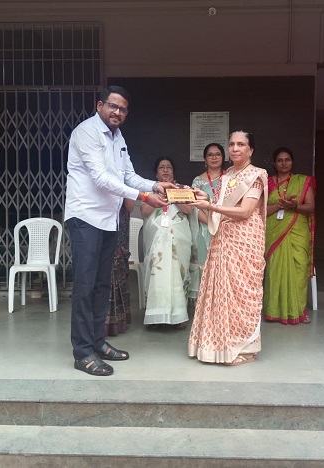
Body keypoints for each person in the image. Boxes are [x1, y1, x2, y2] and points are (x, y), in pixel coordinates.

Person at [64, 85, 174, 376]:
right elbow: (101, 178)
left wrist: (155, 185)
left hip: (108, 219)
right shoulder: (86, 132)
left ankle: (97, 342)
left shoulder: (118, 137)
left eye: (123, 109)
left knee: (103, 285)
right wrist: (144, 196)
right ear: (100, 105)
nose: (117, 112)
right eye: (113, 106)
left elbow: (127, 175)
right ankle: (82, 351)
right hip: (85, 218)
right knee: (85, 286)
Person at [188, 131, 268, 366]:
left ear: (250, 150)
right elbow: (222, 206)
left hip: (245, 241)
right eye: (232, 144)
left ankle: (245, 347)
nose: (235, 148)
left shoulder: (256, 175)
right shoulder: (227, 176)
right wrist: (206, 199)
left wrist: (211, 206)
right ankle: (219, 346)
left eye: (241, 144)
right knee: (221, 290)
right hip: (223, 238)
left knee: (243, 294)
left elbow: (245, 211)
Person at [141, 157, 198, 330]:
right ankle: (155, 316)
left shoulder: (183, 188)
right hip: (156, 237)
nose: (165, 170)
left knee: (178, 272)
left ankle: (179, 315)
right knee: (157, 273)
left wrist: (174, 194)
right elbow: (144, 211)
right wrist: (160, 194)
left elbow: (189, 210)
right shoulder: (149, 190)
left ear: (173, 171)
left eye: (169, 167)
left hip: (179, 236)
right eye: (161, 167)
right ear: (156, 173)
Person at [263, 147, 316, 325]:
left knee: (299, 267)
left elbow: (310, 207)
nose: (284, 163)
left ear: (292, 162)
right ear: (274, 163)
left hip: (297, 231)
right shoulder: (267, 183)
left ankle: (299, 310)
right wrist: (278, 206)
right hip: (274, 231)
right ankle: (273, 311)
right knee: (274, 269)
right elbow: (260, 211)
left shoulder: (303, 181)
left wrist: (293, 206)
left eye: (287, 159)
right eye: (280, 160)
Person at [191, 143, 226, 270]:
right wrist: (211, 222)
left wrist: (220, 222)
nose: (214, 157)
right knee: (205, 266)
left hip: (225, 227)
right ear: (205, 159)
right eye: (210, 155)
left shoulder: (230, 179)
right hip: (205, 227)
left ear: (223, 157)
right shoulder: (198, 181)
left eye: (218, 154)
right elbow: (195, 207)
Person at [105, 198, 135, 337]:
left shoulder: (125, 184)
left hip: (118, 226)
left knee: (117, 268)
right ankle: (100, 321)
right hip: (98, 222)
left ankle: (115, 321)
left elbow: (130, 206)